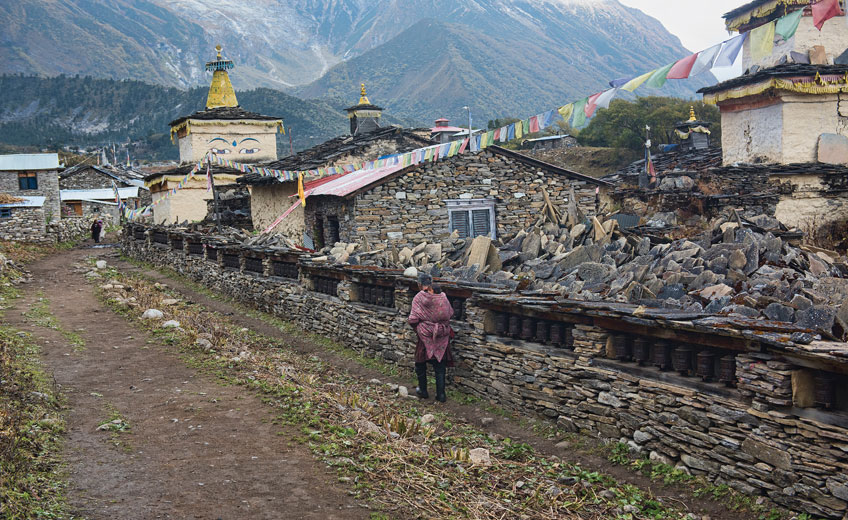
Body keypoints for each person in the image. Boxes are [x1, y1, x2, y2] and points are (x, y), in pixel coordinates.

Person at [408, 273, 454, 403]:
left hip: (425, 337)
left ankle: (423, 391)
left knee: (420, 363)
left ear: (419, 284)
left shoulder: (419, 297)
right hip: (442, 337)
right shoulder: (443, 297)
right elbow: (450, 313)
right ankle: (441, 395)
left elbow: (413, 319)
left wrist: (419, 329)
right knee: (440, 366)